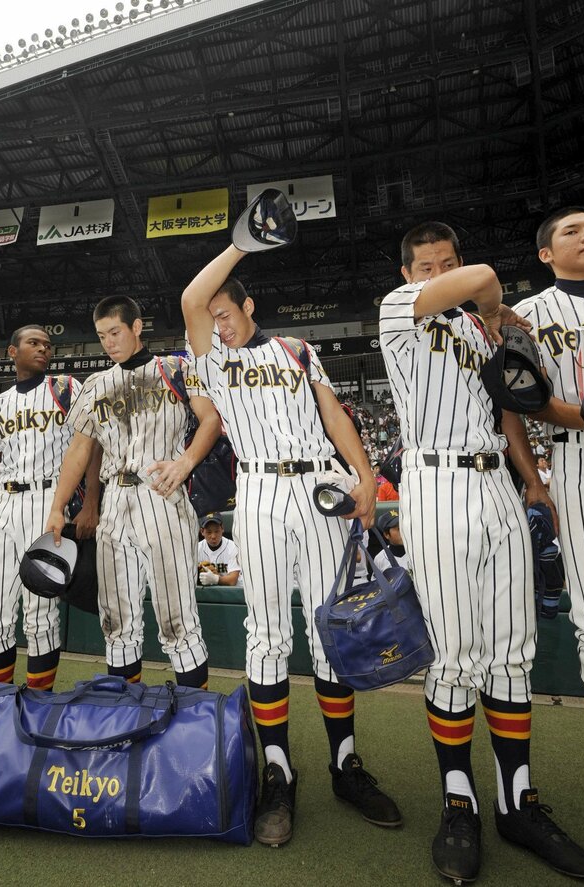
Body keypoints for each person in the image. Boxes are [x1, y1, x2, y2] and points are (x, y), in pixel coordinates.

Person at [379, 221, 584, 883]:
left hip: (496, 485)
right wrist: (490, 303)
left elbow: (506, 402)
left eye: (445, 259)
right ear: (409, 273)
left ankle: (516, 801)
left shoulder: (479, 330)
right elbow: (480, 281)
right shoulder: (399, 310)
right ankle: (458, 800)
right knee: (455, 657)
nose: (438, 270)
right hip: (437, 481)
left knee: (512, 653)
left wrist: (532, 478)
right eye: (427, 264)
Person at [182, 243, 401, 848]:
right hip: (259, 490)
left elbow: (334, 415)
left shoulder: (298, 350)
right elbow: (190, 299)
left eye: (228, 314)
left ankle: (345, 765)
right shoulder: (212, 361)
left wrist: (362, 476)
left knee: (329, 629)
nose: (219, 324)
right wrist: (239, 245)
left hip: (321, 486)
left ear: (250, 306)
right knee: (268, 635)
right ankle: (278, 771)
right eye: (215, 318)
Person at [45, 296, 220, 690]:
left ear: (137, 327)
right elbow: (79, 449)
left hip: (162, 497)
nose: (108, 342)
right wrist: (58, 507)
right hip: (114, 502)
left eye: (115, 332)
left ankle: (194, 719)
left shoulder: (176, 368)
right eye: (102, 335)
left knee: (178, 621)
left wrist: (185, 463)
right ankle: (124, 715)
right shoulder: (95, 384)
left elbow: (210, 419)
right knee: (117, 622)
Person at [0, 325, 100, 690]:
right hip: (4, 507)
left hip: (51, 501)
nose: (43, 349)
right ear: (12, 352)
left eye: (47, 345)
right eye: (33, 343)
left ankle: (37, 702)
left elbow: (93, 445)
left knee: (39, 616)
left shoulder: (66, 388)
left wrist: (91, 500)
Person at [514, 206, 584, 751]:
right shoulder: (526, 315)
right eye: (572, 230)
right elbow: (515, 405)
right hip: (581, 461)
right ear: (546, 254)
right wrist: (535, 482)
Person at [197, 512, 241, 586]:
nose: (213, 536)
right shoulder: (197, 549)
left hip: (231, 593)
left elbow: (232, 581)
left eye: (216, 531)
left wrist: (215, 579)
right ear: (202, 531)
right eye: (209, 532)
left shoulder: (233, 547)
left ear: (222, 528)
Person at [372, 509, 410, 573]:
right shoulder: (380, 559)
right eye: (398, 529)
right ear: (386, 534)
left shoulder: (417, 552)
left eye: (403, 527)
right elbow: (377, 582)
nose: (403, 531)